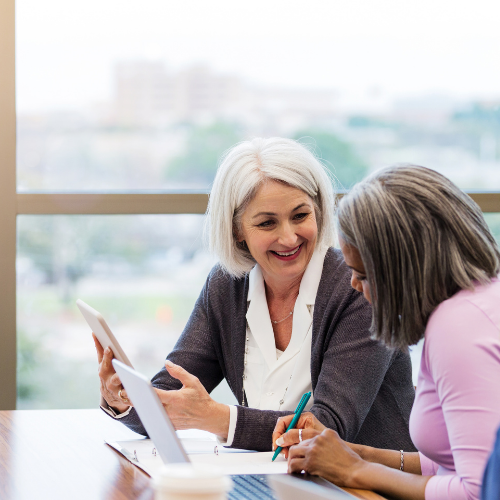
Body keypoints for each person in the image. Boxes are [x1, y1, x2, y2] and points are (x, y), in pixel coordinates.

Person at [94, 138, 416, 452]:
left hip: (365, 486)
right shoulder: (228, 285)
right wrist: (125, 399)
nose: (288, 237)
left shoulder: (360, 287)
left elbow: (329, 427)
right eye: (267, 223)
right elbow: (175, 397)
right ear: (238, 230)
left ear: (318, 210)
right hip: (274, 479)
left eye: (300, 216)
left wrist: (217, 418)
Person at [273, 164, 500, 500]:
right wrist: (353, 455)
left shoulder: (458, 329)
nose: (352, 284)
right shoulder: (479, 301)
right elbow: (456, 462)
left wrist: (354, 470)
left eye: (362, 275)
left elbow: (477, 491)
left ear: (401, 272)